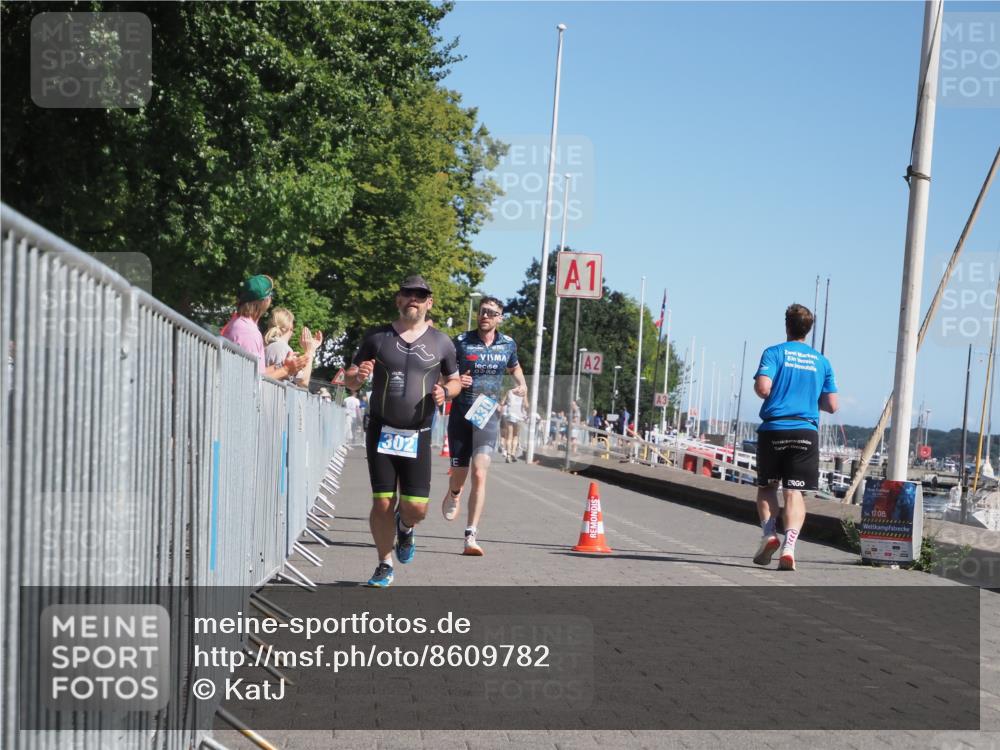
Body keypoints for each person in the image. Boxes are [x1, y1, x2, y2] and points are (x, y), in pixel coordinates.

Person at [344, 275, 461, 588]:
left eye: (420, 295)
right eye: (408, 293)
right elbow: (350, 379)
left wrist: (445, 393)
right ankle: (384, 563)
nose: (414, 299)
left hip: (418, 433)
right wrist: (358, 377)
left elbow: (455, 381)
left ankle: (406, 527)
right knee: (382, 501)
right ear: (398, 299)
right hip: (381, 429)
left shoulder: (442, 342)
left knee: (416, 508)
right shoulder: (377, 337)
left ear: (429, 303)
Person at [752, 303, 838, 571]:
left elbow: (763, 388)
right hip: (805, 431)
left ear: (787, 325)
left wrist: (773, 390)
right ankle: (789, 547)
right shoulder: (822, 362)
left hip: (775, 428)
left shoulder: (774, 353)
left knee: (768, 487)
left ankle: (769, 534)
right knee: (794, 491)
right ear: (808, 330)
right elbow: (832, 405)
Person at [442, 296, 526, 555]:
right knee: (460, 473)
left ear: (500, 318)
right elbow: (445, 372)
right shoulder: (460, 341)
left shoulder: (507, 344)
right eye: (482, 311)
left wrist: (522, 385)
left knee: (480, 473)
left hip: (487, 414)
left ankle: (470, 536)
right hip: (461, 413)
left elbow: (515, 368)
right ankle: (454, 492)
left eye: (491, 312)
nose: (485, 316)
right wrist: (456, 382)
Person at [221, 274, 310, 379]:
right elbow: (254, 381)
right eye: (270, 294)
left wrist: (282, 366)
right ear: (265, 301)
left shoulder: (239, 324)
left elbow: (258, 373)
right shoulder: (249, 332)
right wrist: (286, 370)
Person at [263, 307, 323, 386]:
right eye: (292, 328)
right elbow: (303, 381)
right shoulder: (283, 348)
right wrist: (310, 351)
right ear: (288, 328)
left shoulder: (267, 346)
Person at [500, 387, 527, 462]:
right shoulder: (523, 392)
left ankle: (508, 455)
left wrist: (507, 402)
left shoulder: (509, 391)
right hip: (519, 417)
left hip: (510, 415)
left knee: (509, 436)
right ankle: (513, 453)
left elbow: (502, 403)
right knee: (515, 436)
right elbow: (526, 405)